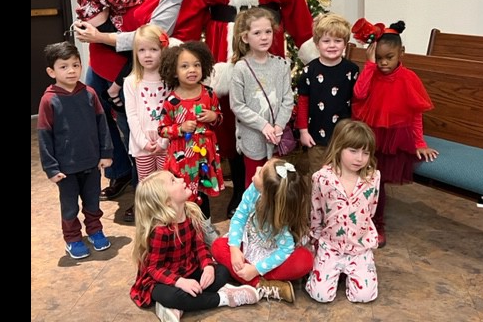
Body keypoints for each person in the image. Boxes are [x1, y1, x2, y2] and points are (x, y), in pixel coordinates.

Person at [171, 0, 319, 218]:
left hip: (268, 45)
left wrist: (310, 48)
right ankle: (240, 188)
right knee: (228, 117)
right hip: (223, 47)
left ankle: (269, 186)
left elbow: (296, 7)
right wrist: (181, 54)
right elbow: (193, 10)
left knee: (267, 111)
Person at [74, 0, 200, 221]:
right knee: (101, 120)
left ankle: (142, 192)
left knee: (133, 128)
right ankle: (118, 173)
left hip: (131, 68)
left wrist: (101, 36)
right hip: (100, 60)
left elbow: (152, 36)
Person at [351, 19, 439, 248]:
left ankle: (377, 223)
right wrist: (368, 65)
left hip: (394, 139)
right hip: (370, 137)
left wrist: (419, 143)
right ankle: (357, 219)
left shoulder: (409, 78)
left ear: (402, 52)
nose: (383, 63)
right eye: (379, 58)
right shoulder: (373, 72)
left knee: (377, 182)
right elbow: (359, 94)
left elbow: (416, 114)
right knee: (363, 180)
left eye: (388, 57)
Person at [130, 170, 262, 322]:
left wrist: (207, 267)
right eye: (173, 181)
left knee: (222, 272)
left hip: (188, 269)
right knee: (171, 296)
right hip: (162, 280)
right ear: (166, 201)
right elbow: (154, 269)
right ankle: (223, 298)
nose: (181, 180)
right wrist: (180, 282)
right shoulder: (160, 230)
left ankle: (179, 305)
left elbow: (199, 247)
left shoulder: (190, 213)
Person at [37, 41, 113, 259]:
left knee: (92, 202)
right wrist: (51, 168)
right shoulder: (49, 100)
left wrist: (106, 153)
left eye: (75, 65)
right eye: (64, 66)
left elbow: (102, 125)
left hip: (91, 163)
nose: (71, 70)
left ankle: (95, 231)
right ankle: (72, 238)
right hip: (65, 168)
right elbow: (44, 136)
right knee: (69, 205)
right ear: (51, 71)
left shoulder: (89, 93)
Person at [211, 158, 313, 303]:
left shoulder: (280, 220)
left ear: (267, 192)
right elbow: (239, 217)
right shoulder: (253, 189)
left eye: (260, 172)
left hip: (271, 253)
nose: (257, 168)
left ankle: (255, 282)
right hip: (249, 244)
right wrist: (234, 249)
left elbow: (285, 249)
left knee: (305, 260)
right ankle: (262, 286)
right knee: (218, 247)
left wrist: (256, 270)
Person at [305, 119, 381, 303]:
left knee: (364, 296)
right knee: (320, 295)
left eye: (365, 152)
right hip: (330, 245)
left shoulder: (373, 177)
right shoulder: (322, 178)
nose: (359, 158)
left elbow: (371, 210)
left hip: (359, 247)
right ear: (339, 148)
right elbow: (316, 212)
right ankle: (331, 271)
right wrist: (313, 240)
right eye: (353, 151)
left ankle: (352, 271)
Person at [157, 41, 225, 245]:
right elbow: (162, 129)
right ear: (174, 72)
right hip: (182, 159)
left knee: (203, 194)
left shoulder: (209, 94)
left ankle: (206, 228)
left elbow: (219, 119)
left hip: (205, 155)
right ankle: (186, 232)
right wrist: (180, 129)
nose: (192, 70)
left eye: (196, 65)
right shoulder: (171, 100)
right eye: (185, 66)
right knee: (184, 196)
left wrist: (213, 115)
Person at [229, 7, 295, 187]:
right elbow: (238, 105)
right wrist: (263, 125)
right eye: (257, 33)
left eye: (268, 31)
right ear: (245, 37)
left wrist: (278, 126)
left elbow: (287, 99)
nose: (264, 37)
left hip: (277, 138)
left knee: (277, 183)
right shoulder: (241, 68)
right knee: (254, 184)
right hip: (253, 139)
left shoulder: (281, 65)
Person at [295, 13, 360, 176]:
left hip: (344, 136)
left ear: (345, 43)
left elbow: (357, 101)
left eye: (338, 41)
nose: (332, 45)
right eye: (326, 41)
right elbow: (303, 102)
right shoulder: (309, 71)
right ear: (317, 44)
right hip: (316, 137)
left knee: (343, 173)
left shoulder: (351, 70)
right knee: (317, 174)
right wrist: (303, 131)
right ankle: (315, 202)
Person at [124, 25, 171, 182]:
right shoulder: (131, 82)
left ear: (162, 50)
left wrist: (163, 141)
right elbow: (132, 114)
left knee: (166, 184)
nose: (147, 55)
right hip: (142, 144)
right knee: (147, 185)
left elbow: (173, 113)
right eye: (142, 50)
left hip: (166, 141)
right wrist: (143, 142)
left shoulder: (170, 81)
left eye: (153, 49)